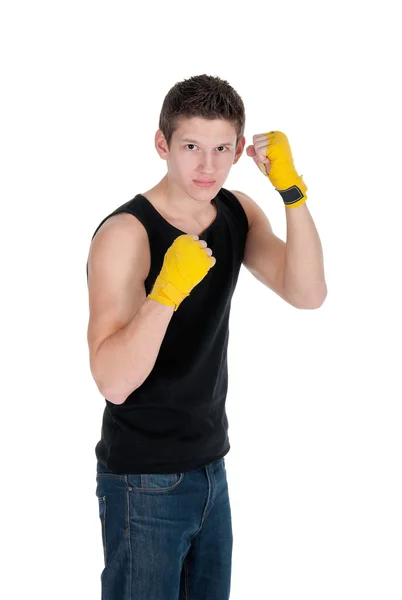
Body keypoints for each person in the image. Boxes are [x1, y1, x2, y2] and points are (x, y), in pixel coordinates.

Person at [86, 73, 327, 600]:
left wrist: (291, 191)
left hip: (211, 468)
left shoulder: (237, 211)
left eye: (221, 148)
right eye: (192, 146)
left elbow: (307, 293)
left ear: (241, 150)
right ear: (162, 145)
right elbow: (113, 381)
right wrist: (166, 293)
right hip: (143, 480)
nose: (207, 165)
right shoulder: (126, 233)